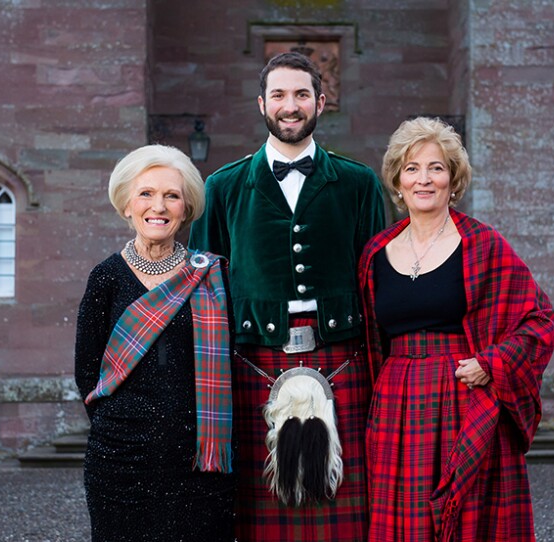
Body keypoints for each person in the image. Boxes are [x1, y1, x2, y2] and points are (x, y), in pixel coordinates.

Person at [189, 52, 386, 541]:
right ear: (261, 104)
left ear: (321, 102)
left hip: (344, 357)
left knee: (344, 512)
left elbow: (377, 281)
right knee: (260, 517)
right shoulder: (223, 187)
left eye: (301, 94)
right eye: (279, 95)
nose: (290, 106)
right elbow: (204, 291)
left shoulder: (359, 183)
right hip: (253, 361)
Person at [358, 117, 554, 542]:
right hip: (396, 404)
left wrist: (493, 362)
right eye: (412, 168)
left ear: (453, 179)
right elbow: (372, 342)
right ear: (397, 180)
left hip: (463, 398)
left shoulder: (483, 244)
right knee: (403, 525)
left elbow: (539, 321)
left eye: (436, 167)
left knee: (466, 523)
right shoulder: (375, 253)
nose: (423, 179)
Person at [74, 144, 235, 542]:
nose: (158, 206)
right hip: (120, 458)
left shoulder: (213, 276)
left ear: (186, 208)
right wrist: (125, 424)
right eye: (146, 193)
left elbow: (231, 357)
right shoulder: (106, 278)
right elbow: (86, 373)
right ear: (127, 204)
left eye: (171, 195)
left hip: (199, 460)